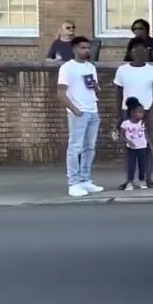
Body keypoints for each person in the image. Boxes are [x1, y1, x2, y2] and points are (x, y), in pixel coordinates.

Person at [113, 36, 153, 186]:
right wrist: (119, 115)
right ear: (130, 52)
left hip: (147, 111)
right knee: (129, 146)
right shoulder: (122, 70)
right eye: (135, 50)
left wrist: (152, 109)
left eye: (142, 50)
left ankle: (147, 178)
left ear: (147, 52)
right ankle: (129, 179)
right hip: (127, 112)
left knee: (147, 144)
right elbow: (118, 93)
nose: (139, 53)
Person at [57, 35, 103, 198]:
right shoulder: (67, 68)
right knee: (75, 147)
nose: (86, 50)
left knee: (89, 147)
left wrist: (96, 88)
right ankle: (73, 183)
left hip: (92, 109)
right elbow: (61, 93)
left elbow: (93, 88)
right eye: (83, 48)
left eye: (88, 48)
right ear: (75, 49)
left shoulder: (91, 67)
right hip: (78, 112)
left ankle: (85, 179)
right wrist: (74, 110)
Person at [118, 97, 151, 190]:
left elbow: (145, 134)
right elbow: (122, 136)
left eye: (142, 112)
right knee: (131, 166)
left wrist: (149, 144)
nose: (142, 114)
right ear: (132, 113)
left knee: (142, 165)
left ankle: (142, 180)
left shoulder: (142, 123)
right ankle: (130, 182)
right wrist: (128, 142)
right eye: (139, 112)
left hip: (142, 148)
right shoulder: (125, 123)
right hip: (131, 149)